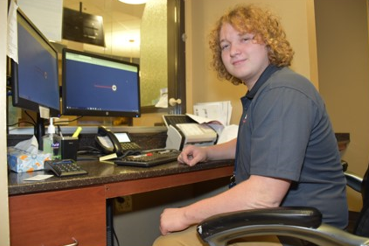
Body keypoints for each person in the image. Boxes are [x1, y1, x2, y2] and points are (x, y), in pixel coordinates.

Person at [153, 4, 348, 246]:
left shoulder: (282, 92)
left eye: (244, 39)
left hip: (305, 235)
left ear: (269, 42)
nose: (233, 50)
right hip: (285, 223)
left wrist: (184, 214)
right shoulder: (264, 91)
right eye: (225, 45)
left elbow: (262, 196)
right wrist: (207, 152)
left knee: (170, 243)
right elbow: (255, 142)